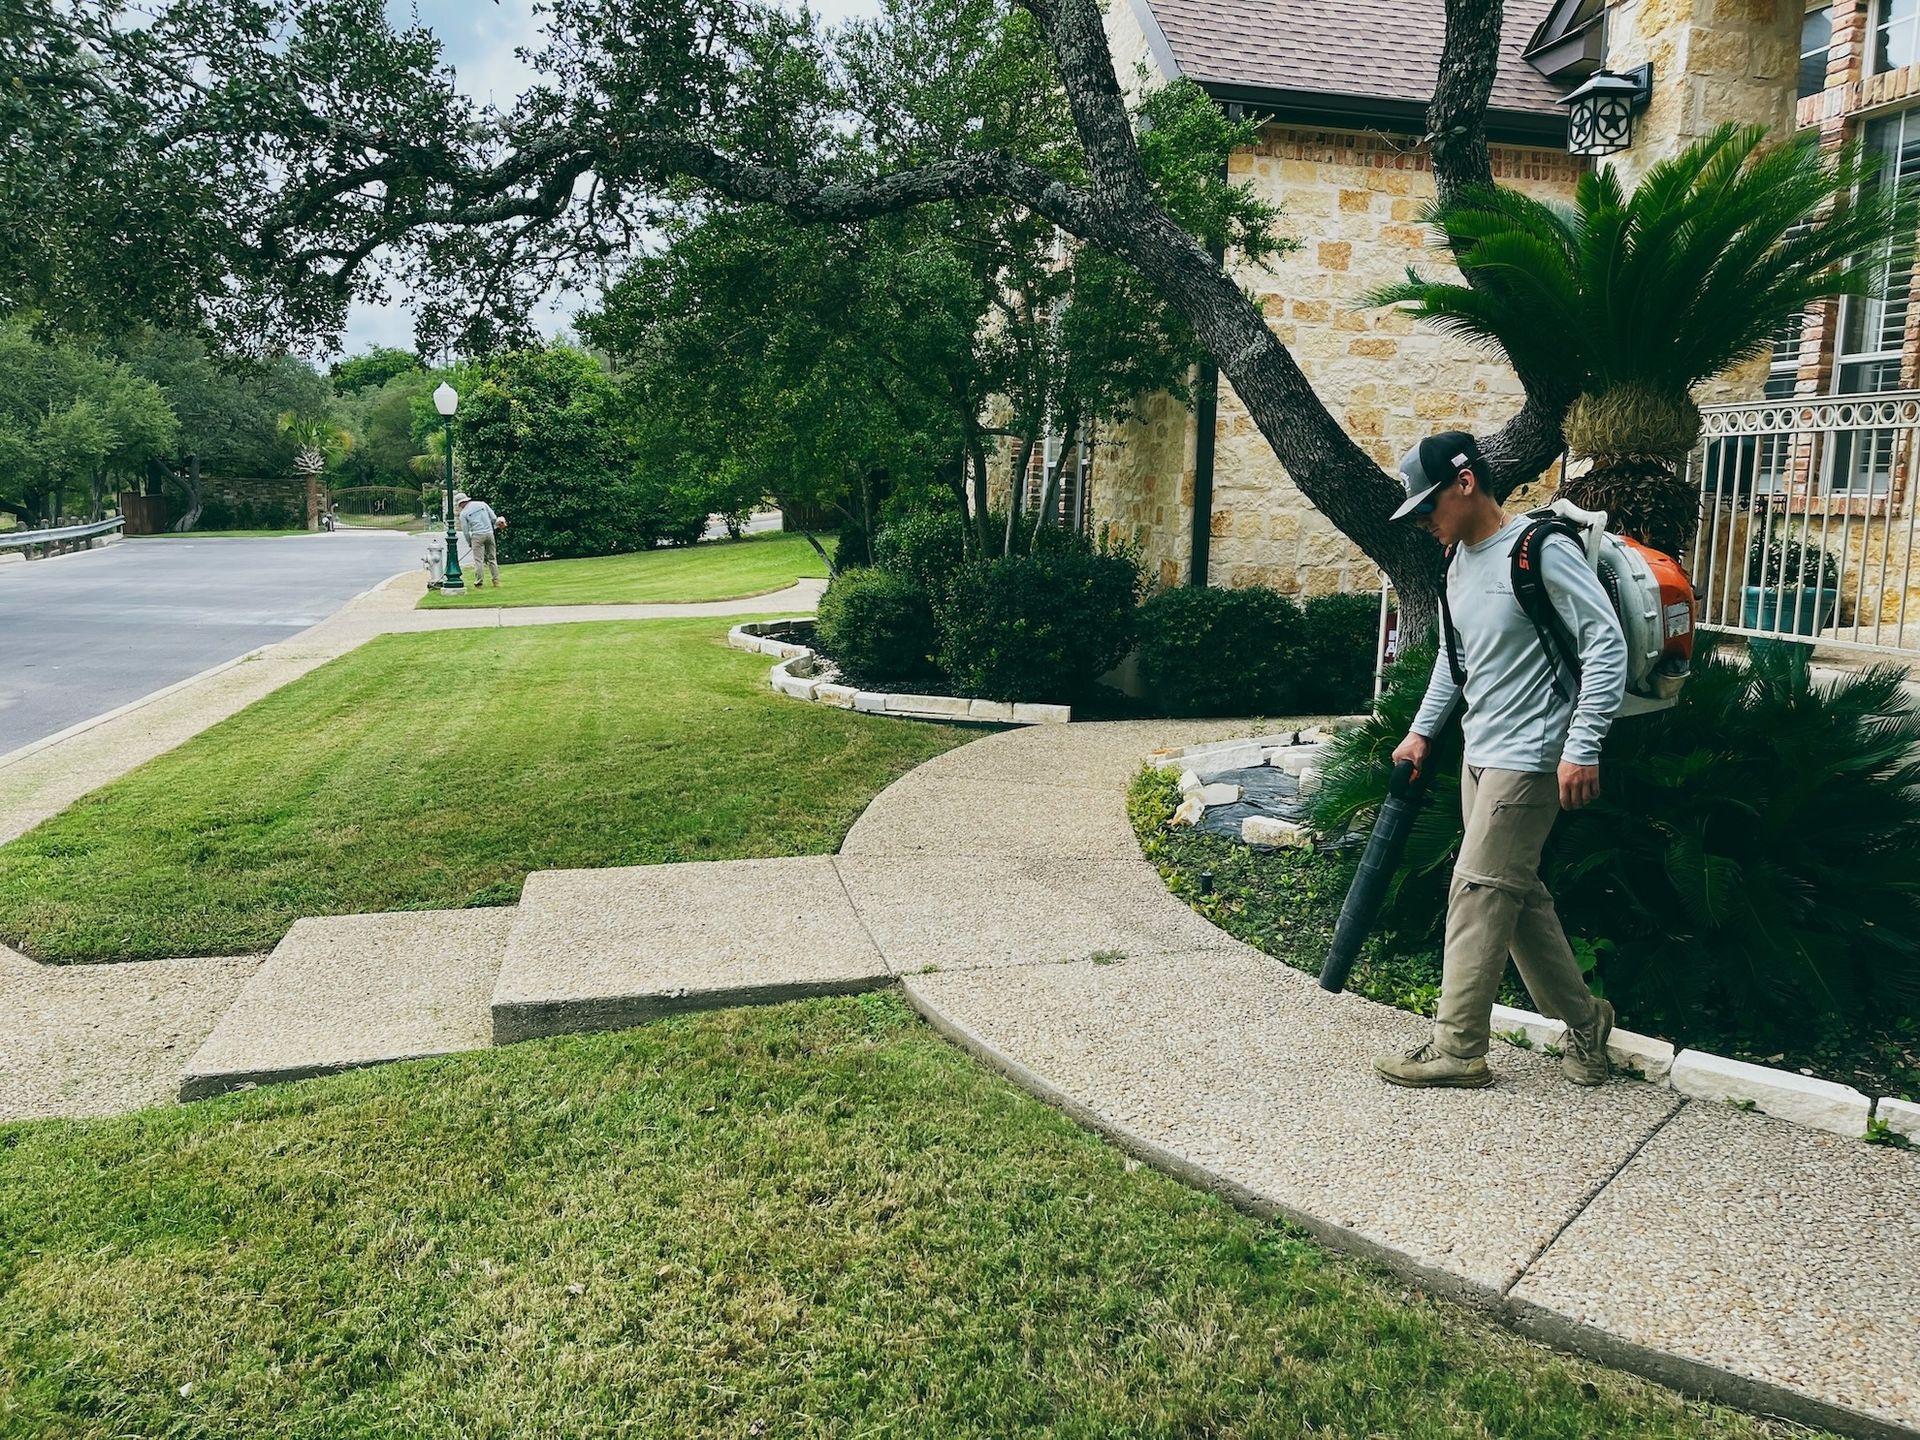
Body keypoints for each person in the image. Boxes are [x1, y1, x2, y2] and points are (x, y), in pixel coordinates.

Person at [1375, 431, 1628, 1091]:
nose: (1426, 521)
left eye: (1430, 505)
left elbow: (1605, 643)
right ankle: (1587, 1023)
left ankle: (1458, 1048)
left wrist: (1583, 744)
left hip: (1533, 755)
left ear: (1465, 483)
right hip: (1480, 755)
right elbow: (1452, 660)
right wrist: (1422, 732)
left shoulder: (1537, 550)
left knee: (1478, 892)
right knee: (1518, 904)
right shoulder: (1459, 562)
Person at [454, 490, 503, 590]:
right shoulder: (482, 504)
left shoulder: (464, 513)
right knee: (492, 558)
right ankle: (496, 580)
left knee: (478, 560)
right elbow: (494, 518)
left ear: (461, 503)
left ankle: (479, 582)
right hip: (489, 533)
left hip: (477, 536)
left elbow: (466, 531)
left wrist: (469, 542)